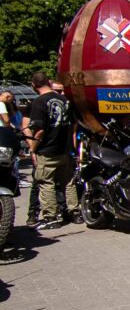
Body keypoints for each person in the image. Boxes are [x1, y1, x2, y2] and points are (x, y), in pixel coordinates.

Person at [27, 72, 79, 229]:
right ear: (48, 83)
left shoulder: (39, 102)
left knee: (46, 183)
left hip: (47, 150)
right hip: (65, 149)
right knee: (68, 182)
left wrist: (32, 149)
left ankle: (51, 217)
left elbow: (39, 130)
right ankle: (74, 212)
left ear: (33, 85)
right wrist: (73, 146)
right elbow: (74, 125)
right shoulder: (65, 100)